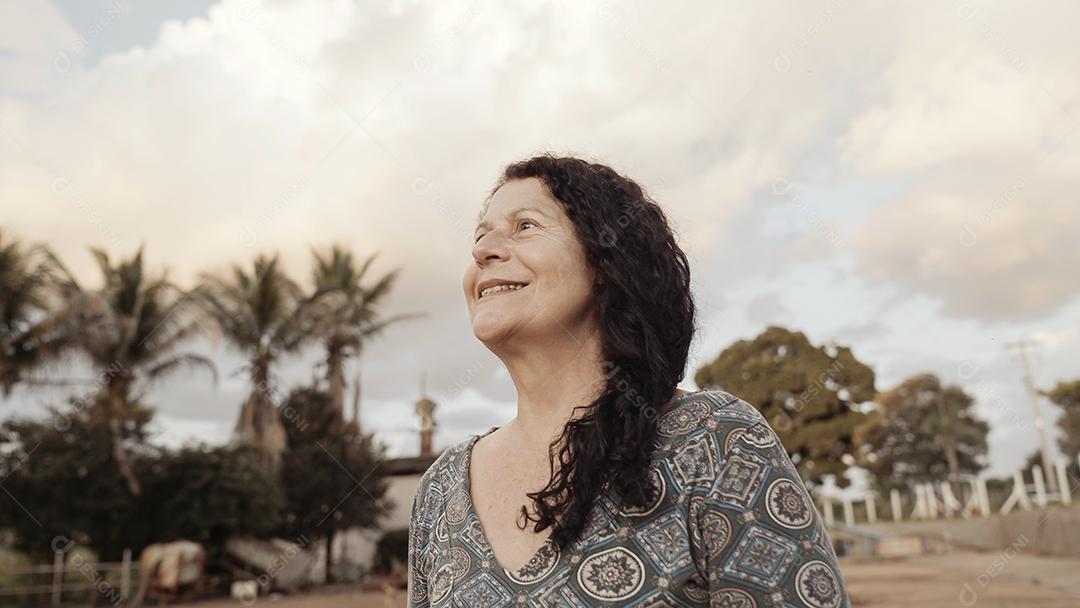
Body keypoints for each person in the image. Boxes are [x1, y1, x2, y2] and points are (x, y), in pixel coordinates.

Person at [407, 155, 849, 607]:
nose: (484, 250)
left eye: (525, 226)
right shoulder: (441, 489)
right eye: (481, 236)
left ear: (604, 261)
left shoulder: (713, 441)